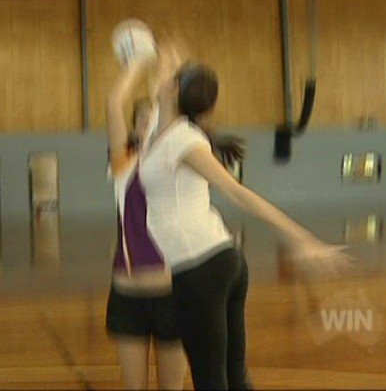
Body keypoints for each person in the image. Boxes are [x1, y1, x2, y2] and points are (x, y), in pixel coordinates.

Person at [138, 56, 350, 390]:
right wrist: (169, 61)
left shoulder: (185, 141)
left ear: (176, 90)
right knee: (234, 378)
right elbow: (157, 93)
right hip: (217, 263)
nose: (161, 78)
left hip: (201, 268)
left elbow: (236, 192)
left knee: (212, 381)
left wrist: (300, 238)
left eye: (171, 77)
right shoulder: (157, 131)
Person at [105, 55, 187, 390]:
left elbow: (175, 107)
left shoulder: (180, 160)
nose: (147, 124)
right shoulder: (124, 165)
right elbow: (113, 103)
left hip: (173, 292)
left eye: (154, 117)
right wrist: (137, 64)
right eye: (141, 119)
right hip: (128, 295)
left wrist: (170, 71)